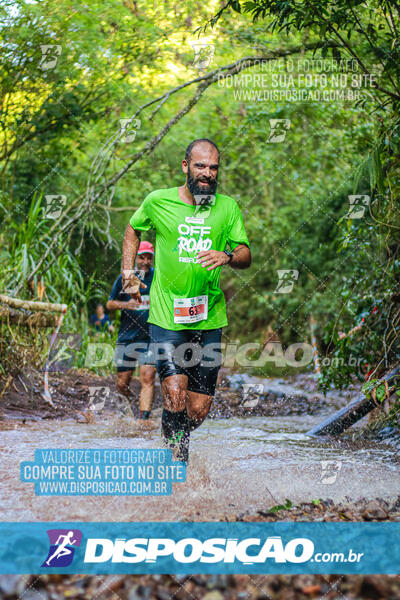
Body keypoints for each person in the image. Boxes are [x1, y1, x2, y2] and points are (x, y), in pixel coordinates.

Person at [121, 138, 251, 460]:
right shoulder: (158, 201)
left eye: (213, 168)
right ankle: (177, 472)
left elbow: (246, 254)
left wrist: (227, 255)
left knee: (197, 409)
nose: (207, 173)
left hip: (209, 319)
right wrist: (128, 274)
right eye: (200, 166)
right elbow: (132, 229)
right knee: (175, 394)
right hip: (167, 317)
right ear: (185, 167)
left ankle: (170, 434)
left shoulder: (227, 207)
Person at [106, 241, 156, 419]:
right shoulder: (127, 278)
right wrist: (126, 304)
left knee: (148, 376)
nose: (145, 261)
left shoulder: (157, 277)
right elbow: (110, 303)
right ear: (136, 258)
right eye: (142, 257)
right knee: (122, 382)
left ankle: (143, 420)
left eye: (149, 258)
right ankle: (126, 412)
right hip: (127, 336)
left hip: (150, 337)